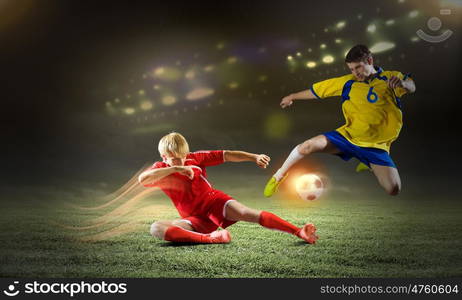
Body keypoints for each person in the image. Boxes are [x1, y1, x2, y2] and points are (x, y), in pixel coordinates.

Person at [264, 44, 416, 197]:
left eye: (358, 67)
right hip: (348, 137)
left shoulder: (390, 78)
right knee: (308, 146)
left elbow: (411, 85)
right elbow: (317, 91)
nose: (355, 73)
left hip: (376, 146)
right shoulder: (347, 83)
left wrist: (403, 84)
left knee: (393, 189)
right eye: (351, 69)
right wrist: (292, 96)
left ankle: (367, 162)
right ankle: (278, 177)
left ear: (370, 60)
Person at [138, 132, 318, 244]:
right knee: (156, 228)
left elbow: (227, 155)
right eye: (176, 158)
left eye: (183, 156)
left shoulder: (195, 158)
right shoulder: (161, 168)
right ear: (164, 156)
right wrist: (176, 168)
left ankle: (298, 231)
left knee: (248, 213)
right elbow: (143, 180)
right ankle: (211, 239)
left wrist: (254, 157)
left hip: (215, 203)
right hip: (193, 219)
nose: (182, 160)